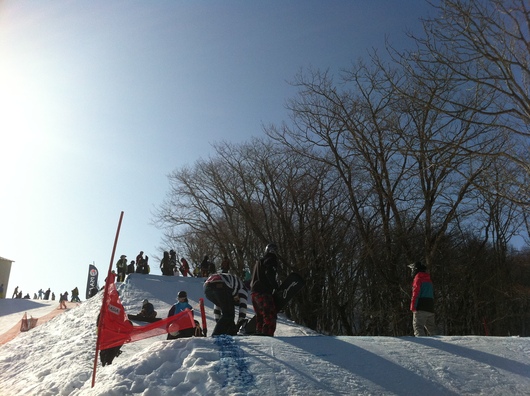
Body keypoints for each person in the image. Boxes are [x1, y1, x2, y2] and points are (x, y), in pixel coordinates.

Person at [251, 243, 280, 336]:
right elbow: (269, 273)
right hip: (263, 292)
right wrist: (276, 286)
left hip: (254, 292)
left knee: (260, 315)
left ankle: (260, 332)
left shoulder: (258, 262)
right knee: (269, 314)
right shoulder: (271, 259)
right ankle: (267, 334)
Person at [408, 261, 436, 336]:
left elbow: (416, 293)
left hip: (421, 306)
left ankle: (422, 346)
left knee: (418, 327)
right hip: (430, 307)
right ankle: (438, 345)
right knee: (432, 330)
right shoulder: (428, 278)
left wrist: (413, 306)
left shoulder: (418, 278)